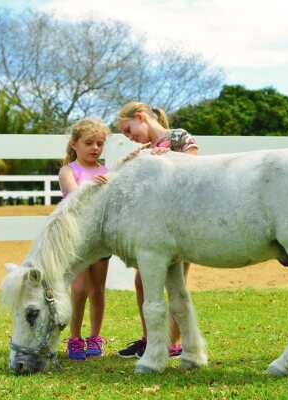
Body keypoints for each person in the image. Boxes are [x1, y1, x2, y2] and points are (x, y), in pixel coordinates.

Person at [114, 102, 198, 359]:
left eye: (130, 130)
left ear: (140, 117)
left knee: (176, 284)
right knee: (142, 281)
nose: (130, 137)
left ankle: (173, 342)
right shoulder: (144, 151)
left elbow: (196, 168)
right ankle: (150, 337)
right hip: (153, 228)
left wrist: (171, 158)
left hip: (178, 225)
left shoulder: (179, 137)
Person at [58, 117, 112, 361]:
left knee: (97, 290)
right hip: (77, 239)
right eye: (89, 143)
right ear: (74, 144)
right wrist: (91, 183)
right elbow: (72, 194)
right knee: (79, 289)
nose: (95, 148)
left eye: (100, 143)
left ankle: (95, 336)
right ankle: (75, 338)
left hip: (99, 241)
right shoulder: (69, 171)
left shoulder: (107, 172)